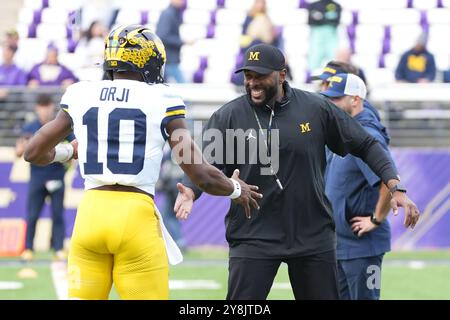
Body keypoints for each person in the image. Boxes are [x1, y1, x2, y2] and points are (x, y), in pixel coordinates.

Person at [23, 24, 261, 300]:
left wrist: (68, 152)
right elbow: (200, 174)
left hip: (89, 216)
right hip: (134, 217)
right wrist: (235, 188)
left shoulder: (81, 93)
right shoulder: (162, 98)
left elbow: (34, 152)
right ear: (148, 62)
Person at [174, 43, 420, 300]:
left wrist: (395, 186)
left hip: (312, 235)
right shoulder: (228, 115)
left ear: (281, 75)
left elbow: (366, 144)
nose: (253, 83)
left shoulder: (316, 108)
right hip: (253, 234)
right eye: (248, 76)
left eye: (260, 76)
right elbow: (203, 163)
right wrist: (190, 190)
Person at [321, 73, 393, 300]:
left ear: (355, 99)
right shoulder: (342, 131)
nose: (330, 104)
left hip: (363, 246)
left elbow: (388, 179)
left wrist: (376, 219)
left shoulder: (365, 135)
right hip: (340, 244)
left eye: (336, 98)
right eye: (328, 99)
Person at [15, 94, 75, 261]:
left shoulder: (60, 127)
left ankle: (58, 248)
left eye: (47, 106)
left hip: (56, 175)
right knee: (33, 214)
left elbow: (73, 149)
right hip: (37, 177)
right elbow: (19, 152)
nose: (44, 110)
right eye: (41, 107)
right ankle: (28, 249)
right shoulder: (30, 127)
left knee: (57, 214)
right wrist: (27, 147)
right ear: (37, 108)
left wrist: (67, 162)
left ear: (51, 107)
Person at [156, 0, 188, 83]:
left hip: (169, 58)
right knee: (184, 85)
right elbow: (162, 36)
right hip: (168, 58)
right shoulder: (168, 14)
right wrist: (182, 42)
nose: (182, 1)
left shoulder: (173, 13)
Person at [307, 0, 342, 72]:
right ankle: (313, 79)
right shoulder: (313, 5)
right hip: (317, 35)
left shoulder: (336, 5)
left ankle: (333, 79)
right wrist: (327, 18)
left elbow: (336, 21)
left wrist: (321, 17)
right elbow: (310, 21)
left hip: (331, 35)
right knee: (314, 60)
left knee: (333, 60)